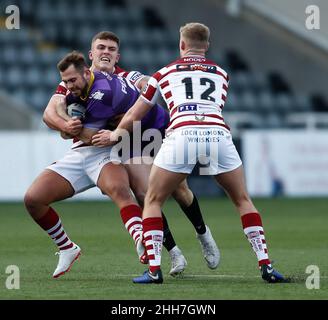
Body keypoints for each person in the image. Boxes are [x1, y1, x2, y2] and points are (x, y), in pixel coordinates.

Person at [92, 22, 290, 284]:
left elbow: (136, 112)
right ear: (206, 46)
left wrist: (115, 134)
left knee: (152, 200)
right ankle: (265, 265)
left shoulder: (163, 74)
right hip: (217, 135)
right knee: (242, 200)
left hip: (182, 135)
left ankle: (154, 270)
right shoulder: (222, 73)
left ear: (181, 45)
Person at [43, 31, 220, 276]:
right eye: (101, 47)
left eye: (112, 49)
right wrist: (65, 124)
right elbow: (51, 110)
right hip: (127, 141)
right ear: (91, 54)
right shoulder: (75, 82)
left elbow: (146, 82)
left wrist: (143, 91)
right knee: (145, 193)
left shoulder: (127, 76)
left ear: (118, 56)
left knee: (180, 190)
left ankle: (203, 234)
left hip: (154, 130)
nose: (106, 52)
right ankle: (174, 252)